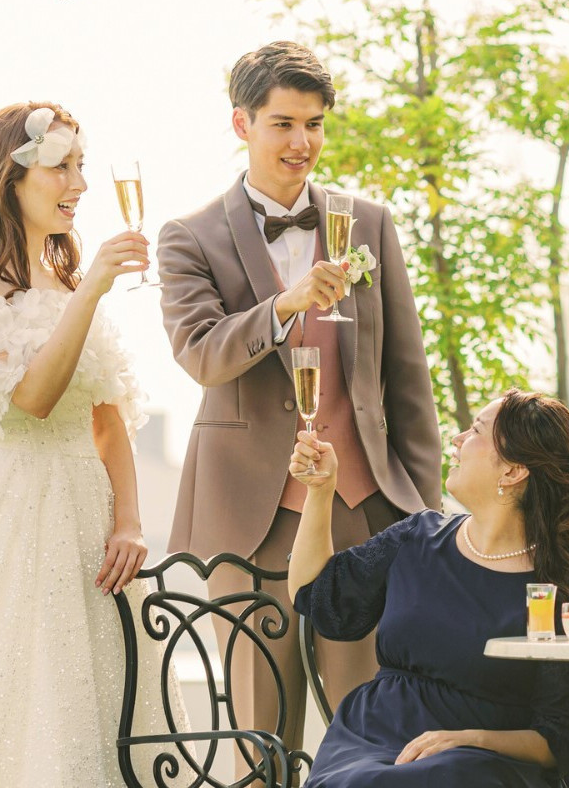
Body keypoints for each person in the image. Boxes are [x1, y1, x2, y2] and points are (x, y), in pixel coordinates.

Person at [0, 102, 180, 788]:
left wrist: (130, 521)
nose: (79, 184)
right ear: (12, 177)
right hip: (1, 519)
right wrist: (92, 289)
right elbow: (32, 400)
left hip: (82, 520)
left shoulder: (69, 283)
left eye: (81, 166)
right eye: (61, 166)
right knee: (7, 707)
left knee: (86, 714)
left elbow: (108, 423)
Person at [158, 40, 441, 742]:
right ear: (242, 124)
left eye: (313, 124)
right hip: (252, 518)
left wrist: (425, 516)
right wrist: (284, 306)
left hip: (364, 510)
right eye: (282, 123)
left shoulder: (367, 223)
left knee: (373, 730)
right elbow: (201, 355)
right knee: (263, 740)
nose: (301, 142)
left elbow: (407, 378)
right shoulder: (189, 237)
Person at [249, 388, 569, 788]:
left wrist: (469, 740)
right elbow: (318, 597)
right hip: (373, 741)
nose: (457, 439)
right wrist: (321, 491)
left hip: (492, 767)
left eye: (476, 431)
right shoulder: (417, 538)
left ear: (512, 471)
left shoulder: (563, 586)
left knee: (452, 783)